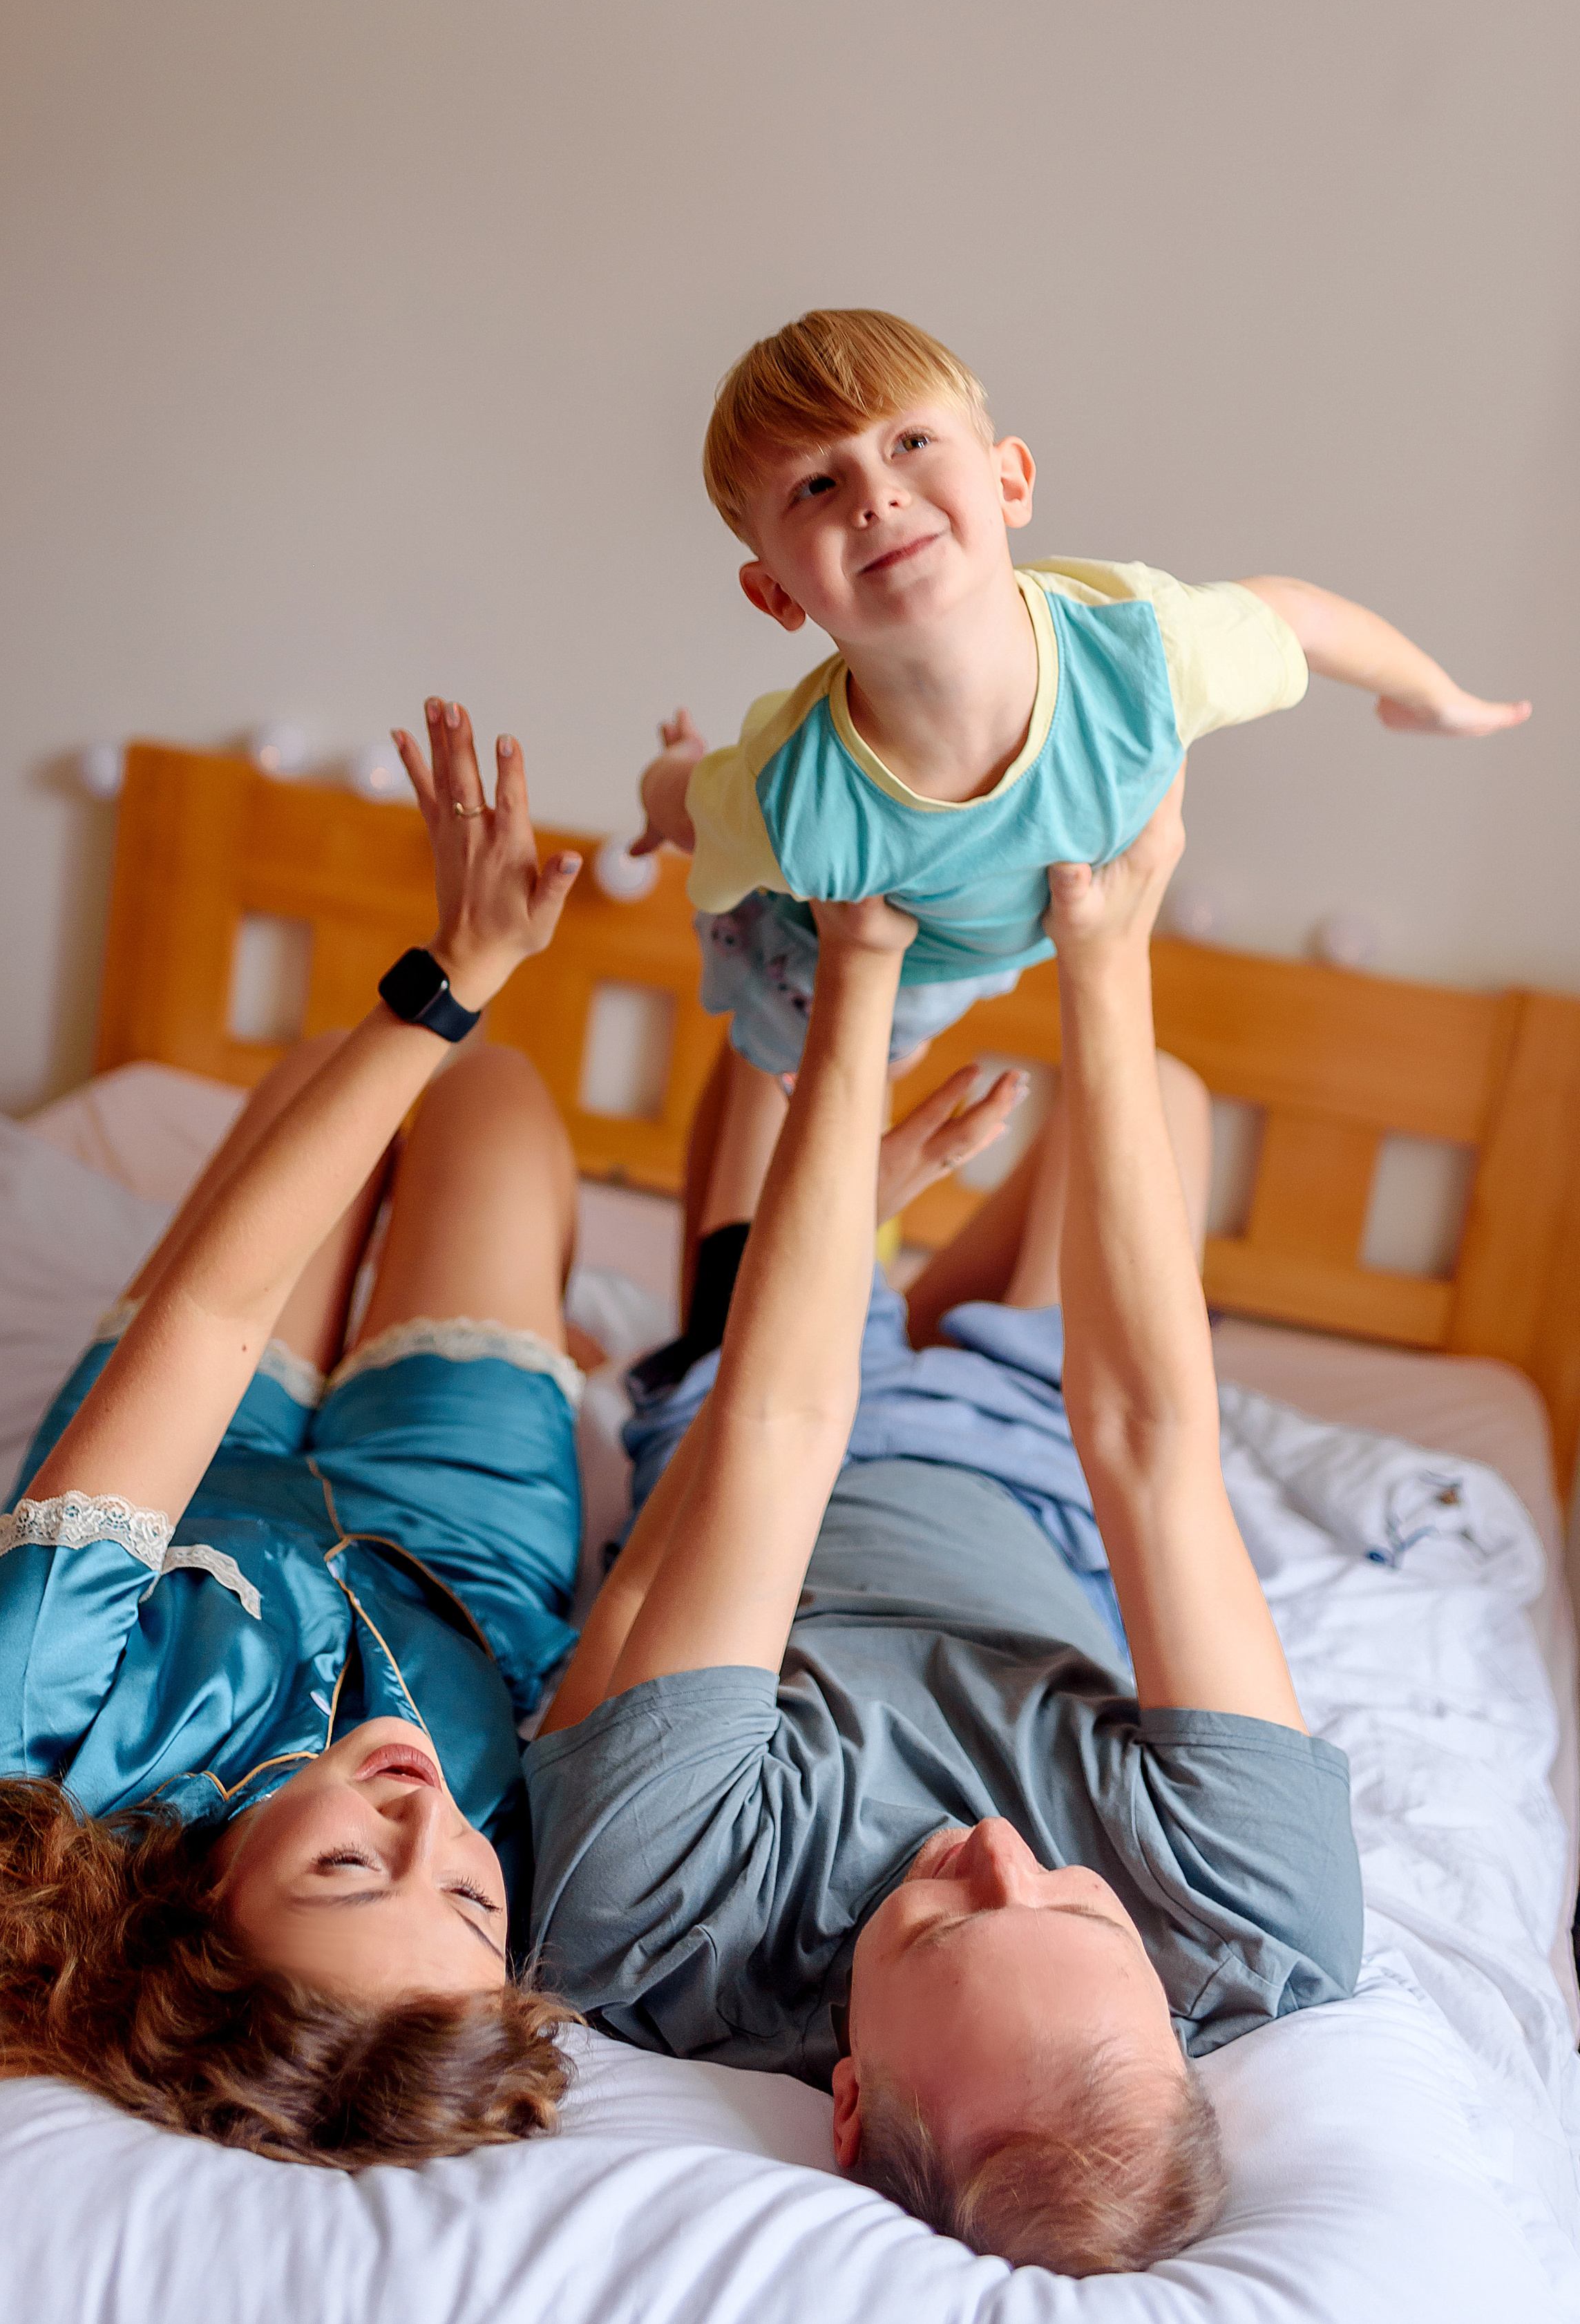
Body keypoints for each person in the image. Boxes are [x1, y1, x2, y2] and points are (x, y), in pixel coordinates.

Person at [526, 776, 1364, 2275]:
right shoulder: (1251, 1918)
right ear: (1172, 2019)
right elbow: (1152, 1450)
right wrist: (1105, 951)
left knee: (768, 1068)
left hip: (757, 1436)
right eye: (1078, 1909)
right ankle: (920, 1205)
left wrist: (854, 972)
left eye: (937, 1926)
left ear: (844, 2103)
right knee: (1154, 1095)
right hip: (1031, 1451)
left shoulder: (657, 1923)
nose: (990, 1848)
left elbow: (770, 1440)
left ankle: (861, 1111)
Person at [0, 703, 598, 2168]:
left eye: (355, 1866)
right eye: (471, 1900)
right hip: (466, 1539)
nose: (427, 1823)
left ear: (206, 1911)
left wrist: (449, 983)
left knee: (355, 1069)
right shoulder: (506, 1883)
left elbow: (207, 1321)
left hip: (207, 1441)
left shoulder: (20, 1767)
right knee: (498, 1099)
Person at [631, 307, 1530, 1075]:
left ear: (1009, 479)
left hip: (998, 937)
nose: (877, 497)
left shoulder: (1144, 655)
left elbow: (1301, 617)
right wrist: (674, 763)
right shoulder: (790, 798)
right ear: (777, 593)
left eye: (910, 442)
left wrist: (1437, 696)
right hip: (845, 955)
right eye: (816, 486)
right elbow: (683, 811)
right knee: (796, 1097)